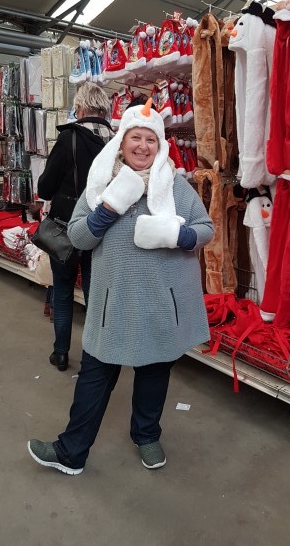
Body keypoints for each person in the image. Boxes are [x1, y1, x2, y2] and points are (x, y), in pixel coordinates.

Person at [28, 98, 214, 473]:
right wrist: (110, 208)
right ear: (122, 141)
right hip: (114, 302)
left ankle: (146, 436)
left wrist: (177, 235)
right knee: (95, 375)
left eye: (150, 139)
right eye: (135, 137)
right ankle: (71, 452)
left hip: (160, 300)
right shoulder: (101, 184)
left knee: (154, 373)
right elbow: (78, 237)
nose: (142, 146)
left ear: (159, 145)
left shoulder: (175, 187)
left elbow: (205, 229)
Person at [37, 82, 114, 372]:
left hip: (66, 228)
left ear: (80, 108)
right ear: (104, 110)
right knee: (96, 295)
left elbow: (45, 188)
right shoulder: (118, 142)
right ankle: (95, 357)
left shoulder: (69, 138)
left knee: (63, 290)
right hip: (102, 230)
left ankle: (60, 353)